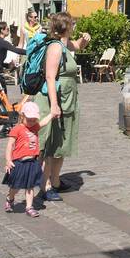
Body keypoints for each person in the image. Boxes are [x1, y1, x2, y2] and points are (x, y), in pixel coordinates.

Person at [32, 12, 84, 200]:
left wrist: (84, 39)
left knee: (60, 143)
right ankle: (45, 186)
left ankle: (55, 181)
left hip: (67, 99)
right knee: (51, 144)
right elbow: (50, 77)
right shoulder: (55, 47)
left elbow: (77, 46)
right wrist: (54, 105)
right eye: (73, 23)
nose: (75, 26)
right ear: (66, 26)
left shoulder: (64, 44)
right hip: (55, 100)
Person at [3, 99, 43, 217]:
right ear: (22, 116)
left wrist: (52, 113)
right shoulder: (17, 129)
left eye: (34, 120)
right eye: (29, 120)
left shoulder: (35, 127)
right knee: (16, 186)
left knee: (30, 186)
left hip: (32, 162)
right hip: (19, 162)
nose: (31, 122)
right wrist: (8, 160)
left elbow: (44, 122)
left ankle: (29, 207)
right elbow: (10, 145)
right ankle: (10, 198)